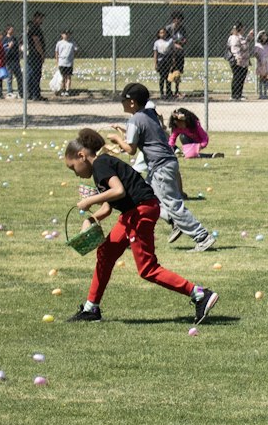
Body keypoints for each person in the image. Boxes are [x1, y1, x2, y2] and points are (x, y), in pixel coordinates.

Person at [62, 128, 219, 323]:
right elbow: (108, 208)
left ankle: (199, 294)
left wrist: (89, 200)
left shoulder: (101, 164)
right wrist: (91, 219)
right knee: (106, 252)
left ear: (81, 156)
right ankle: (91, 308)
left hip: (140, 211)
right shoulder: (101, 168)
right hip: (132, 213)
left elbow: (118, 190)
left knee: (147, 268)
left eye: (72, 167)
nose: (75, 173)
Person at [110, 85, 216, 251]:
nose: (121, 103)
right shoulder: (149, 114)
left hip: (160, 166)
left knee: (173, 204)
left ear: (131, 102)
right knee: (145, 199)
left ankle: (202, 236)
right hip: (165, 163)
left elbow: (130, 149)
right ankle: (141, 234)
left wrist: (117, 139)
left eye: (123, 100)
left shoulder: (135, 120)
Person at [226, 23, 251, 100]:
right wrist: (238, 58)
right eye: (242, 28)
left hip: (244, 61)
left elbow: (244, 45)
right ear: (239, 28)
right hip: (237, 60)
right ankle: (234, 95)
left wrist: (249, 38)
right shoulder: (234, 37)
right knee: (237, 77)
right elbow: (235, 49)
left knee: (241, 77)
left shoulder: (240, 37)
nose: (244, 29)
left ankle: (239, 94)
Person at [54, 30, 77, 96]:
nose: (66, 35)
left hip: (69, 63)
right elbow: (56, 52)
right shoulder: (59, 43)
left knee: (68, 77)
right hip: (62, 62)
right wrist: (57, 61)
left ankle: (67, 90)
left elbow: (75, 50)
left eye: (68, 34)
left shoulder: (72, 43)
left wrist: (72, 58)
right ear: (62, 35)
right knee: (63, 77)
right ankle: (63, 89)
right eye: (65, 34)